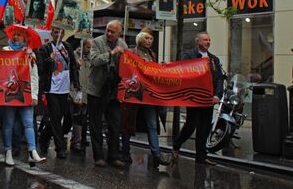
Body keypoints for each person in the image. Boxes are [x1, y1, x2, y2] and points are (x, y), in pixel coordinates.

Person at [120, 31, 171, 168]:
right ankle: (125, 152)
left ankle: (156, 155)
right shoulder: (132, 52)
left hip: (149, 96)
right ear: (140, 40)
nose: (149, 41)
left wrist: (162, 67)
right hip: (135, 94)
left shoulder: (152, 54)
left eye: (151, 39)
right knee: (128, 123)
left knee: (152, 125)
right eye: (146, 38)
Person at [172, 32, 224, 166]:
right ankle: (177, 145)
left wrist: (217, 95)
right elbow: (183, 72)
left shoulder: (214, 59)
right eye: (205, 40)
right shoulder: (189, 55)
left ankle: (201, 156)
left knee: (205, 127)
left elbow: (219, 78)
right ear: (198, 42)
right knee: (191, 124)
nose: (208, 42)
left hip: (209, 98)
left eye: (209, 40)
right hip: (194, 98)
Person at [2, 25, 46, 167]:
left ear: (25, 39)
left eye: (19, 35)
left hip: (25, 94)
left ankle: (32, 152)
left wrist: (34, 96)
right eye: (14, 34)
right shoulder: (5, 51)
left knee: (28, 123)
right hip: (9, 93)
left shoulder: (30, 54)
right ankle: (8, 151)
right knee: (8, 123)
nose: (15, 37)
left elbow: (34, 76)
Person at [87, 20, 127, 168]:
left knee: (115, 124)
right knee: (96, 124)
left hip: (113, 91)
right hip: (97, 90)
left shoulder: (123, 45)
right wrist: (111, 53)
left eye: (112, 31)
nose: (109, 33)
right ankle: (98, 156)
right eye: (107, 30)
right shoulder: (97, 42)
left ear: (119, 33)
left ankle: (114, 156)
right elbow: (94, 60)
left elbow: (128, 66)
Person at [37, 27, 79, 159]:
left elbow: (72, 65)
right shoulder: (44, 48)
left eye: (60, 32)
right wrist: (50, 59)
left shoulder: (67, 47)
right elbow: (40, 67)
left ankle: (43, 138)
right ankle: (60, 147)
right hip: (52, 88)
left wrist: (76, 81)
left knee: (64, 117)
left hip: (65, 88)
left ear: (64, 34)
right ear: (52, 34)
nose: (58, 34)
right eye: (55, 32)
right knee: (55, 117)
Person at [70, 38, 92, 153]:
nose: (90, 49)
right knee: (76, 116)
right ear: (83, 46)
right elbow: (69, 71)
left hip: (87, 90)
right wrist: (76, 65)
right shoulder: (74, 55)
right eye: (88, 47)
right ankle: (76, 141)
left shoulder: (92, 57)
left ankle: (80, 139)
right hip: (76, 90)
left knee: (83, 116)